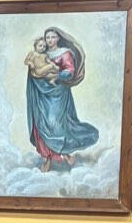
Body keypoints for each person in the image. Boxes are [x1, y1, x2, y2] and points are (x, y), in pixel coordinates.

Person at [26, 27, 99, 173]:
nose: (50, 40)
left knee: (56, 124)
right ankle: (48, 158)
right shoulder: (41, 53)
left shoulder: (65, 53)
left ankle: (65, 154)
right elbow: (33, 71)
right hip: (41, 94)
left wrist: (57, 76)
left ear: (58, 38)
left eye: (53, 37)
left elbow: (70, 72)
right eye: (47, 38)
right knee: (41, 124)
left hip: (58, 93)